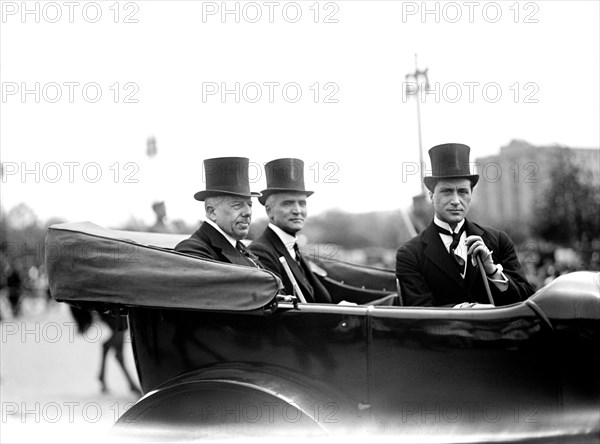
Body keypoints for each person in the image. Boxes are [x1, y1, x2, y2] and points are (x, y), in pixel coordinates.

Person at [396, 143, 535, 307]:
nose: (455, 201)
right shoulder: (410, 254)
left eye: (462, 192)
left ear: (471, 194)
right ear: (431, 195)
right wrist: (466, 311)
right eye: (447, 191)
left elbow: (527, 301)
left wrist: (493, 271)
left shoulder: (499, 242)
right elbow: (417, 313)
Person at [249, 158, 332, 303]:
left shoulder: (293, 248)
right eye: (288, 204)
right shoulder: (261, 252)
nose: (297, 211)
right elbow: (281, 315)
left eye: (302, 203)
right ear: (270, 211)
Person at [175, 157, 262, 268]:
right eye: (237, 205)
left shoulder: (239, 248)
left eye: (249, 205)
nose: (248, 212)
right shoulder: (193, 251)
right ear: (212, 212)